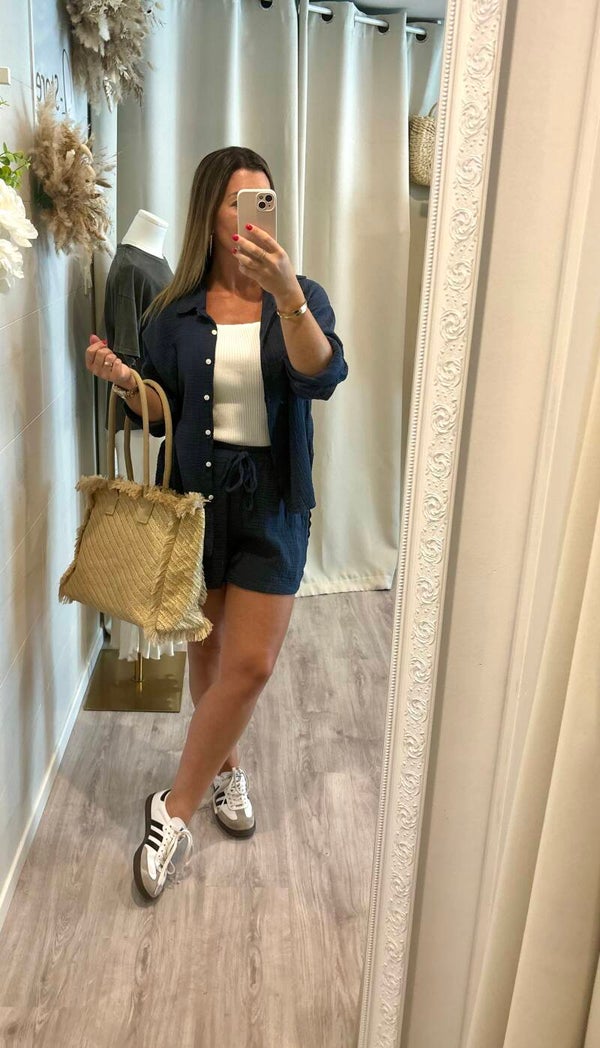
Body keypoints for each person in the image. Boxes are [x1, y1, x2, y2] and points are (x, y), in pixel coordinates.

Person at [85, 146, 348, 902]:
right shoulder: (175, 312)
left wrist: (287, 294)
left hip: (273, 497)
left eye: (264, 201)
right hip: (198, 498)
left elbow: (321, 375)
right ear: (211, 212)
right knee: (208, 647)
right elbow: (158, 408)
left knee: (252, 664)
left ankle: (173, 809)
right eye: (239, 202)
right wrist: (126, 381)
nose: (253, 216)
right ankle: (227, 768)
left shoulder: (302, 296)